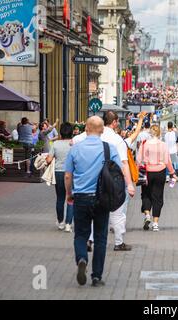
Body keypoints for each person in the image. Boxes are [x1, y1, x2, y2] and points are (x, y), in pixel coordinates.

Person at [65, 116, 123, 287]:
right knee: (100, 237)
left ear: (86, 129)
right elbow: (117, 173)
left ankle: (82, 257)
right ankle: (96, 276)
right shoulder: (109, 148)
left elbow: (68, 175)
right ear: (102, 130)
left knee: (81, 234)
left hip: (81, 197)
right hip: (101, 198)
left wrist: (69, 193)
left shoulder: (75, 148)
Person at [73, 111, 136, 252]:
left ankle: (89, 240)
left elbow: (73, 145)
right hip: (111, 181)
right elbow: (124, 164)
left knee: (91, 213)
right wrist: (129, 184)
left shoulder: (81, 138)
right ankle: (119, 242)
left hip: (87, 181)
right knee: (117, 212)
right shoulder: (117, 140)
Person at [138, 125, 177, 232]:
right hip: (160, 172)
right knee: (158, 197)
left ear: (150, 133)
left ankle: (147, 215)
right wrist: (173, 173)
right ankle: (155, 223)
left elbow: (139, 159)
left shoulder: (144, 144)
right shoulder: (163, 145)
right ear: (159, 133)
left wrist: (137, 171)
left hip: (147, 172)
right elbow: (167, 160)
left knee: (146, 194)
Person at [46, 122, 75, 233]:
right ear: (72, 132)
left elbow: (48, 160)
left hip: (58, 173)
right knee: (70, 199)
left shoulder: (56, 144)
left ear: (61, 133)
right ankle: (68, 224)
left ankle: (60, 222)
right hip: (71, 173)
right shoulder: (74, 144)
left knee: (60, 198)